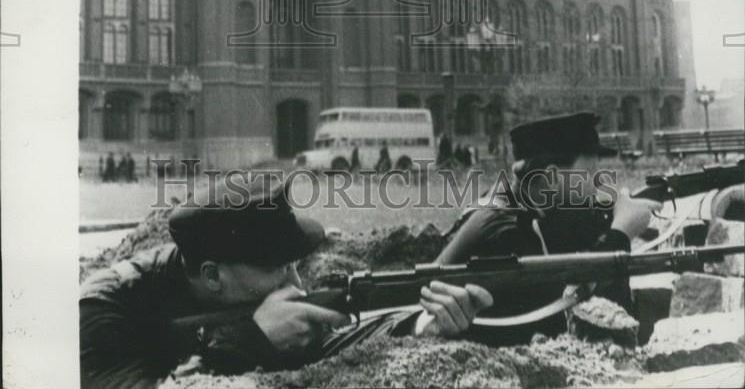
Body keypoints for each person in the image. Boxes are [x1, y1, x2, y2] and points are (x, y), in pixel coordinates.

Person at [79, 180, 493, 387]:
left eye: (295, 264)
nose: (295, 282)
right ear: (212, 276)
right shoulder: (100, 313)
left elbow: (334, 339)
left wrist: (421, 326)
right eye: (275, 268)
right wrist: (251, 341)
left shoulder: (250, 293)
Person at [436, 112, 661, 344]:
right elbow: (587, 335)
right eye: (592, 175)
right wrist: (619, 234)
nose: (600, 188)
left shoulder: (521, 206)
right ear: (552, 178)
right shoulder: (506, 231)